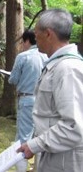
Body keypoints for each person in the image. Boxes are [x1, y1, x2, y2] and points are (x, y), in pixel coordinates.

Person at [17, 9, 83, 172]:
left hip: (65, 161)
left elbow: (73, 126)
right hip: (53, 154)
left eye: (36, 33)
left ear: (48, 34)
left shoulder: (68, 69)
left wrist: (35, 145)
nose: (34, 38)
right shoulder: (56, 65)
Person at [8, 29, 47, 172]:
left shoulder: (23, 56)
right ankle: (38, 168)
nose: (22, 45)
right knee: (41, 135)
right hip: (44, 101)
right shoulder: (47, 56)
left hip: (26, 99)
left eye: (22, 42)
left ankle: (21, 169)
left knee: (23, 137)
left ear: (27, 41)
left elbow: (13, 79)